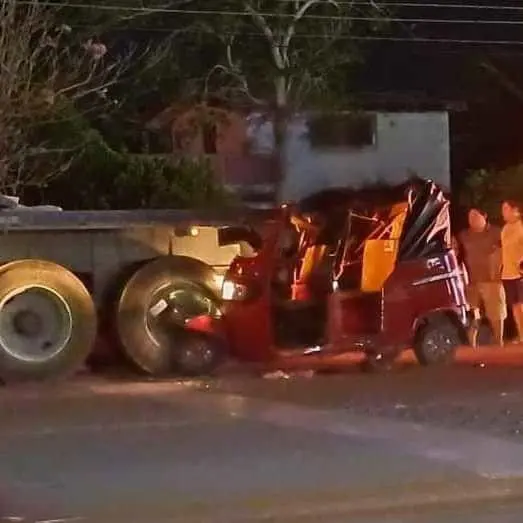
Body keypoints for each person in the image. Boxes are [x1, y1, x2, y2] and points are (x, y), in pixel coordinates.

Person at [458, 208, 505, 347]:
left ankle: (498, 342)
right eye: (469, 217)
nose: (472, 219)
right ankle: (471, 344)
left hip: (492, 280)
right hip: (472, 281)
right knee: (473, 314)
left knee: (496, 314)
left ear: (484, 217)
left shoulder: (497, 232)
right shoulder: (464, 235)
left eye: (475, 216)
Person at [501, 200, 523, 343]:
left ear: (516, 210)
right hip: (507, 273)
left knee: (521, 305)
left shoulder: (521, 228)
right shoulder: (505, 228)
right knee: (515, 307)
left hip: (519, 273)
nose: (503, 212)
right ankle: (521, 335)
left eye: (506, 209)